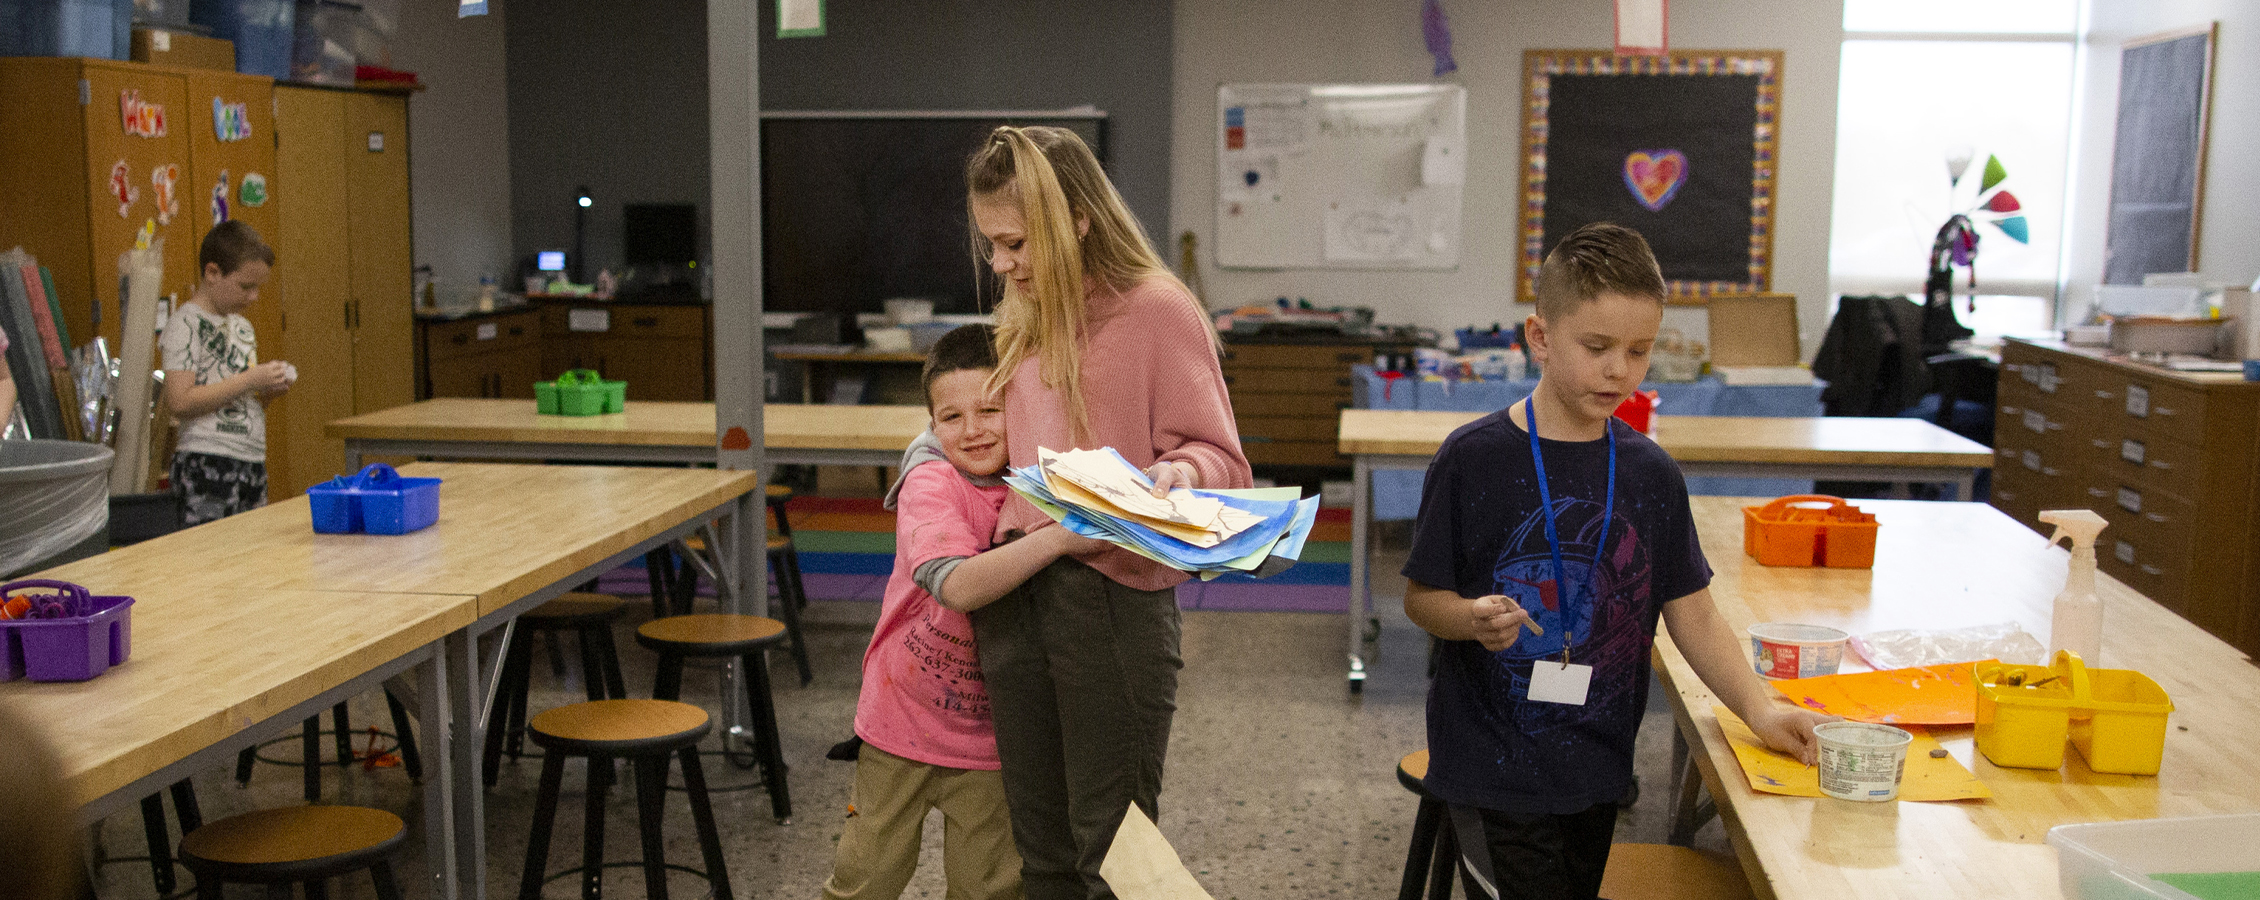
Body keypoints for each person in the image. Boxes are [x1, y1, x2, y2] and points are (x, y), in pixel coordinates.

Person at [1401, 223, 1836, 900]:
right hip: (1492, 766)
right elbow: (1421, 598)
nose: (1620, 370)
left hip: (1597, 765)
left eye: (1640, 351)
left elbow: (1693, 613)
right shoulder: (1472, 458)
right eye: (1598, 347)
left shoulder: (1648, 472)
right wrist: (1469, 616)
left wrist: (1760, 709)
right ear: (1540, 338)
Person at [963, 125, 1252, 900]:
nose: (1001, 264)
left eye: (1016, 242)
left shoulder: (1158, 310)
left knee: (1115, 850)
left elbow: (1221, 458)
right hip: (1020, 593)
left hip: (1112, 604)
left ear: (1078, 221)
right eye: (992, 244)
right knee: (1042, 848)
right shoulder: (1024, 313)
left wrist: (1178, 470)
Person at [821, 324, 1103, 900]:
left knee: (989, 889)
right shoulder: (930, 483)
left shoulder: (1042, 483)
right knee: (864, 879)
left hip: (996, 741)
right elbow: (958, 586)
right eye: (951, 418)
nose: (972, 431)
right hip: (901, 723)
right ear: (931, 424)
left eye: (990, 409)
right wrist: (1057, 540)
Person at [160, 220, 292, 524]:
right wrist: (249, 379)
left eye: (258, 287)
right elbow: (179, 401)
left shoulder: (242, 327)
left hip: (250, 458)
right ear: (212, 273)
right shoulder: (185, 324)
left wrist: (267, 392)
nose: (254, 297)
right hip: (206, 459)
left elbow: (238, 397)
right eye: (246, 286)